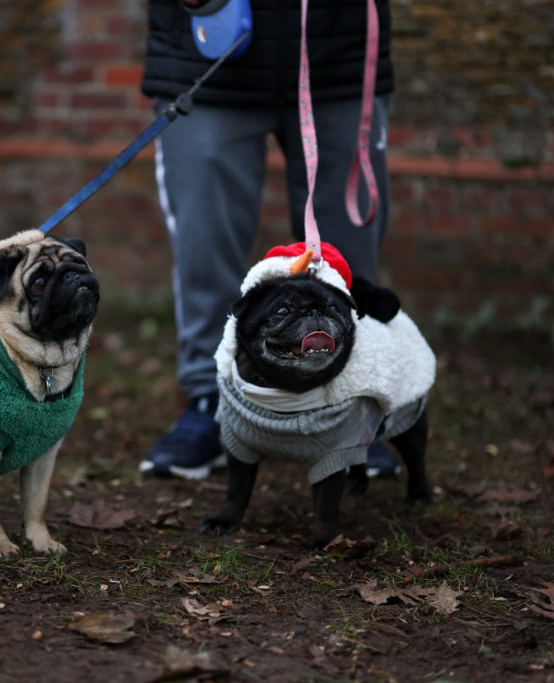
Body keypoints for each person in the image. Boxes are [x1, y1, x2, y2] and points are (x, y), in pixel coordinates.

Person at [138, 0, 398, 480]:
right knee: (204, 248)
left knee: (348, 257)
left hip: (339, 57)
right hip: (207, 57)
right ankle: (210, 399)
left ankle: (355, 410)